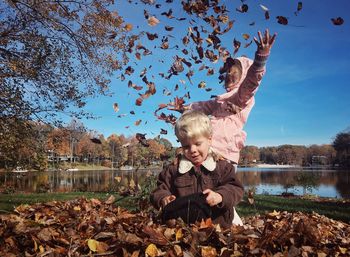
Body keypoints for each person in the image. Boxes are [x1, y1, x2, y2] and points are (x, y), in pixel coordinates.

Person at [169, 29, 277, 225]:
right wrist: (182, 109)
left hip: (224, 151)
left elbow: (252, 83)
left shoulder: (243, 96)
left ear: (242, 75)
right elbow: (201, 106)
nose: (228, 76)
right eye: (226, 74)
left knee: (223, 190)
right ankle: (199, 219)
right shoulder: (220, 99)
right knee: (204, 189)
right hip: (208, 149)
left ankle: (234, 226)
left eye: (233, 73)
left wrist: (261, 59)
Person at [150, 110, 244, 229]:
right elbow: (159, 190)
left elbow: (235, 188)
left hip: (218, 226)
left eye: (198, 143)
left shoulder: (222, 167)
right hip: (183, 227)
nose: (192, 150)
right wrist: (163, 198)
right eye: (186, 146)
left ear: (209, 140)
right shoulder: (173, 169)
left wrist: (220, 196)